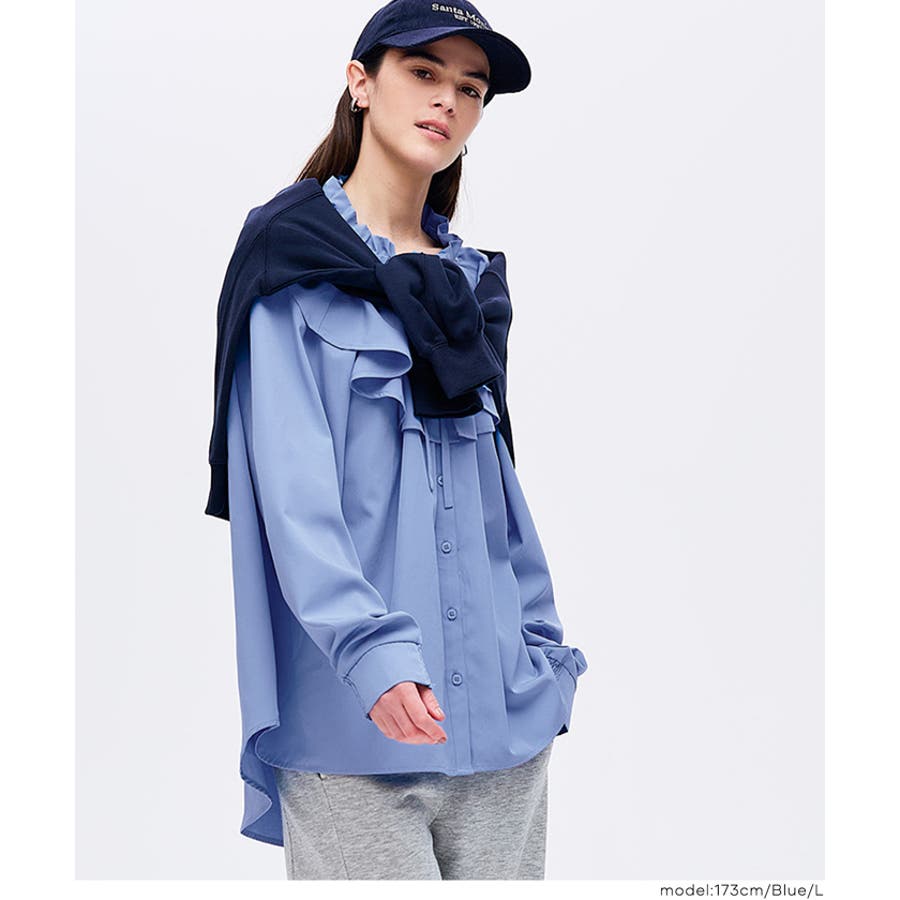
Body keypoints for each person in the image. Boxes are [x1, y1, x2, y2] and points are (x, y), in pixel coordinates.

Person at [205, 0, 588, 880]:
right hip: (354, 727)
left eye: (472, 88)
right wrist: (371, 654)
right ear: (360, 83)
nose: (449, 99)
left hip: (505, 720)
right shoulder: (289, 260)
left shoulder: (467, 285)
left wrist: (542, 645)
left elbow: (498, 491)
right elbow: (293, 498)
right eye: (423, 72)